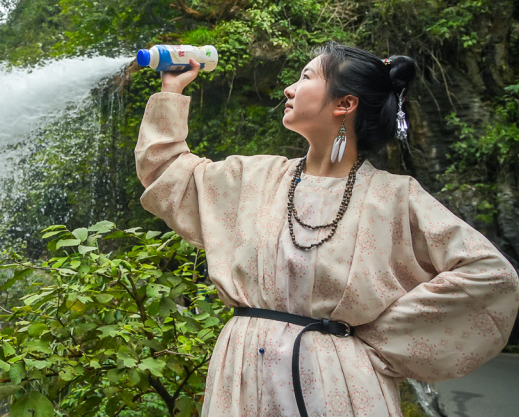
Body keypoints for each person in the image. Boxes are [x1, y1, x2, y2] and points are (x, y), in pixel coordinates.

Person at [134, 42, 519, 417]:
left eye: (306, 77)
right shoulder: (254, 179)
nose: (289, 88)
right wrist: (171, 90)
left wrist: (373, 337)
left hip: (339, 383)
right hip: (244, 376)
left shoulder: (395, 198)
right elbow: (169, 175)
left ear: (344, 104)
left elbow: (489, 276)